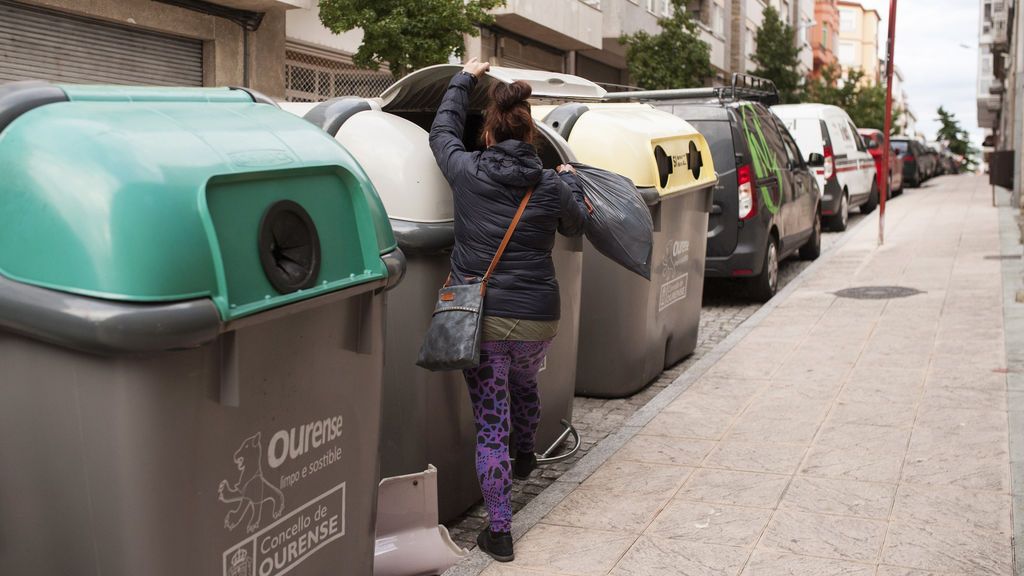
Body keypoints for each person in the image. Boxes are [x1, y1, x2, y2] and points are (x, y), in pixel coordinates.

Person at [429, 58, 589, 562]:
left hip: (484, 322)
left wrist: (464, 78)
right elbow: (576, 226)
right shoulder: (551, 184)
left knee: (489, 424)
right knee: (525, 383)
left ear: (489, 133)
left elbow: (441, 132)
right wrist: (571, 180)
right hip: (539, 318)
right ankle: (526, 451)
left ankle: (499, 530)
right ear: (532, 134)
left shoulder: (468, 170)